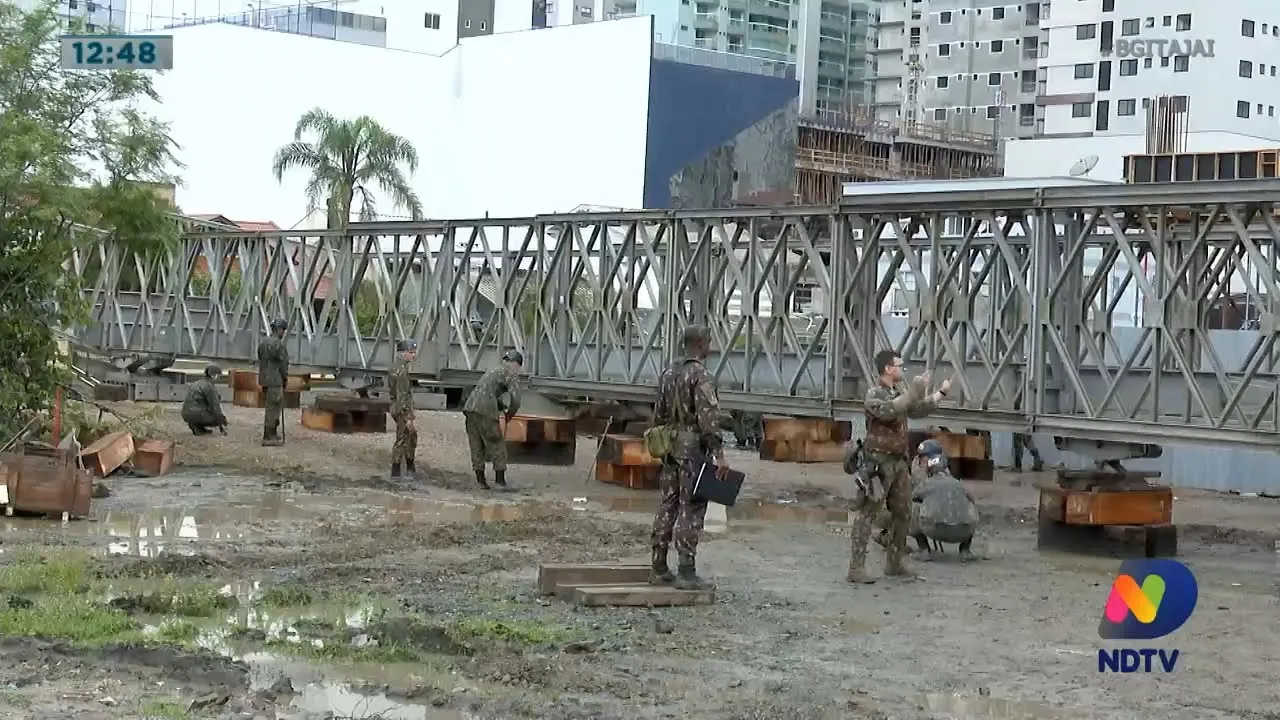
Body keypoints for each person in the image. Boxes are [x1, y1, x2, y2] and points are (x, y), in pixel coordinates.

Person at [847, 349, 950, 584]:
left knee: (903, 513)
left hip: (899, 462)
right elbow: (889, 411)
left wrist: (939, 394)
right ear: (887, 369)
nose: (903, 368)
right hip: (877, 463)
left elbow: (915, 409)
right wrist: (914, 391)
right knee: (867, 513)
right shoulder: (875, 394)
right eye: (899, 365)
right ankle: (856, 568)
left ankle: (894, 562)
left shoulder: (898, 391)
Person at [649, 325, 725, 591]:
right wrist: (719, 454)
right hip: (692, 449)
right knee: (691, 506)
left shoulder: (668, 373)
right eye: (708, 342)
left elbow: (658, 414)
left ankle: (658, 565)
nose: (710, 346)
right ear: (700, 343)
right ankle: (686, 570)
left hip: (669, 445)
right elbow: (709, 420)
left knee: (667, 502)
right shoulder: (702, 376)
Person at [463, 350, 523, 490]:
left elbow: (488, 391)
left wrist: (501, 405)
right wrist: (510, 414)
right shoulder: (510, 373)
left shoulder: (493, 370)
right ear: (516, 365)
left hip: (470, 408)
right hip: (486, 411)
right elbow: (516, 399)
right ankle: (500, 482)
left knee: (476, 444)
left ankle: (480, 481)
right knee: (497, 444)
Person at [910, 439, 979, 561]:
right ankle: (965, 550)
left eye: (922, 458)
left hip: (935, 529)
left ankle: (924, 550)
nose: (919, 461)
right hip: (964, 531)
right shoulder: (958, 483)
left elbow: (913, 496)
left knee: (913, 506)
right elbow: (972, 500)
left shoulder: (926, 482)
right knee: (970, 504)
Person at [256, 318, 290, 447]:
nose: (283, 333)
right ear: (280, 330)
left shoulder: (263, 343)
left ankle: (272, 433)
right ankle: (269, 436)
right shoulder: (279, 345)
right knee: (274, 408)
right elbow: (283, 364)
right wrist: (285, 379)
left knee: (270, 406)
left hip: (264, 379)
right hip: (275, 380)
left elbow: (260, 358)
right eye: (283, 331)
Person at [388, 339, 419, 479]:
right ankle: (397, 472)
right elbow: (403, 395)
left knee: (409, 436)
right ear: (403, 353)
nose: (413, 355)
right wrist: (408, 417)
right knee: (403, 438)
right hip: (401, 409)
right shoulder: (401, 371)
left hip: (397, 406)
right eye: (411, 352)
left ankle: (408, 469)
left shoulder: (398, 367)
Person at [181, 365, 227, 435]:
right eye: (218, 375)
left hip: (186, 414)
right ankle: (197, 426)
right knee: (218, 418)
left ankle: (198, 428)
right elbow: (214, 406)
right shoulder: (209, 386)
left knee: (198, 409)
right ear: (214, 375)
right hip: (198, 414)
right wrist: (221, 422)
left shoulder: (198, 382)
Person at [1010, 394, 1043, 472]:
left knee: (1018, 446)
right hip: (1028, 422)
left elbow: (1016, 405)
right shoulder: (1030, 397)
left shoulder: (1019, 396)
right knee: (1029, 443)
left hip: (1020, 423)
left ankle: (1018, 467)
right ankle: (1038, 463)